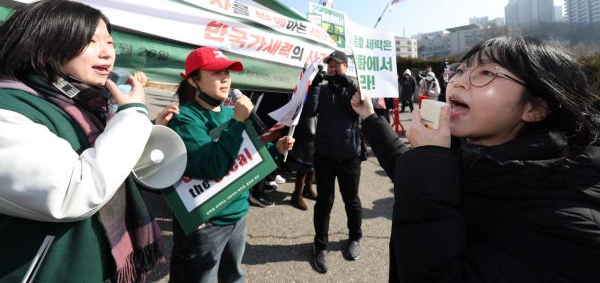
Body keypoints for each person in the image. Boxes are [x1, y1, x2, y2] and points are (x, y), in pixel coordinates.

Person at [350, 36, 600, 283]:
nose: (457, 82)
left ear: (535, 109)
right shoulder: (465, 154)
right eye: (458, 71)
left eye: (485, 73)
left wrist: (430, 160)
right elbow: (413, 174)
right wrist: (370, 116)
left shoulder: (566, 222)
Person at [0, 0, 164, 282]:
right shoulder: (9, 107)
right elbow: (70, 193)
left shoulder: (83, 104)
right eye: (90, 41)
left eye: (110, 42)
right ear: (46, 44)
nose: (107, 53)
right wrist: (133, 116)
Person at [167, 47, 294, 283]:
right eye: (215, 72)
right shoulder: (185, 119)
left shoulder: (229, 112)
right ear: (194, 81)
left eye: (227, 71)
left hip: (238, 214)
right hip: (206, 224)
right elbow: (214, 166)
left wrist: (276, 150)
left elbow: (247, 156)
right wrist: (237, 121)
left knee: (233, 276)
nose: (225, 77)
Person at [305, 50, 363, 274]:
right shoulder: (322, 88)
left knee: (352, 201)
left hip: (350, 155)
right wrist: (312, 86)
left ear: (346, 67)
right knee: (324, 202)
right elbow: (310, 110)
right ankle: (320, 246)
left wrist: (346, 84)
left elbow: (360, 108)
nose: (333, 68)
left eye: (337, 65)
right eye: (330, 66)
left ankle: (355, 237)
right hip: (324, 156)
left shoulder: (355, 87)